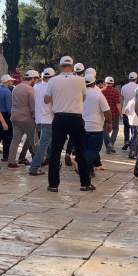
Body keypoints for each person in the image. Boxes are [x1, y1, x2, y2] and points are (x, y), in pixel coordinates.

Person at [45, 56, 93, 192]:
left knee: (55, 152)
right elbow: (83, 97)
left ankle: (53, 185)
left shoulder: (53, 80)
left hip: (59, 118)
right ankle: (85, 183)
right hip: (75, 118)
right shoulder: (80, 80)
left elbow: (46, 100)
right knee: (80, 151)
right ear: (72, 66)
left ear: (60, 66)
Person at [82, 74, 112, 177]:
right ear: (94, 83)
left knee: (86, 149)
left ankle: (89, 171)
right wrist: (109, 123)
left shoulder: (79, 94)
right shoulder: (98, 95)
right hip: (95, 127)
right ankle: (83, 166)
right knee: (94, 150)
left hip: (81, 127)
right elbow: (107, 111)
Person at [7, 70, 37, 168]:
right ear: (32, 79)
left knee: (15, 139)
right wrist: (36, 118)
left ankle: (11, 161)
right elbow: (33, 107)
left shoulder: (16, 88)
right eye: (35, 79)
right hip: (26, 118)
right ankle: (39, 160)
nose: (35, 82)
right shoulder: (30, 90)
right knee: (34, 140)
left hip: (15, 117)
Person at [29, 68, 55, 176]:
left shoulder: (36, 87)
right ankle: (34, 167)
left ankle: (50, 161)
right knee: (43, 144)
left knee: (48, 142)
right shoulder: (52, 88)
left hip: (39, 119)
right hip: (48, 119)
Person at [0, 74, 15, 161]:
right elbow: (9, 107)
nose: (11, 82)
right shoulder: (8, 92)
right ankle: (6, 156)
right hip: (6, 115)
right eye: (10, 81)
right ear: (7, 82)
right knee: (7, 137)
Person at [121, 72, 138, 151]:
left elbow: (122, 99)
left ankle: (126, 141)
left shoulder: (124, 87)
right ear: (136, 79)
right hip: (135, 111)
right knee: (134, 130)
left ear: (129, 78)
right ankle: (133, 146)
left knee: (126, 127)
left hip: (126, 110)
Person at [101, 76, 121, 154]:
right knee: (115, 129)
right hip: (114, 114)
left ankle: (108, 145)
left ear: (105, 83)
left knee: (105, 130)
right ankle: (111, 143)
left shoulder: (101, 91)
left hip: (104, 114)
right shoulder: (115, 91)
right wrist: (120, 113)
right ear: (112, 83)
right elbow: (118, 104)